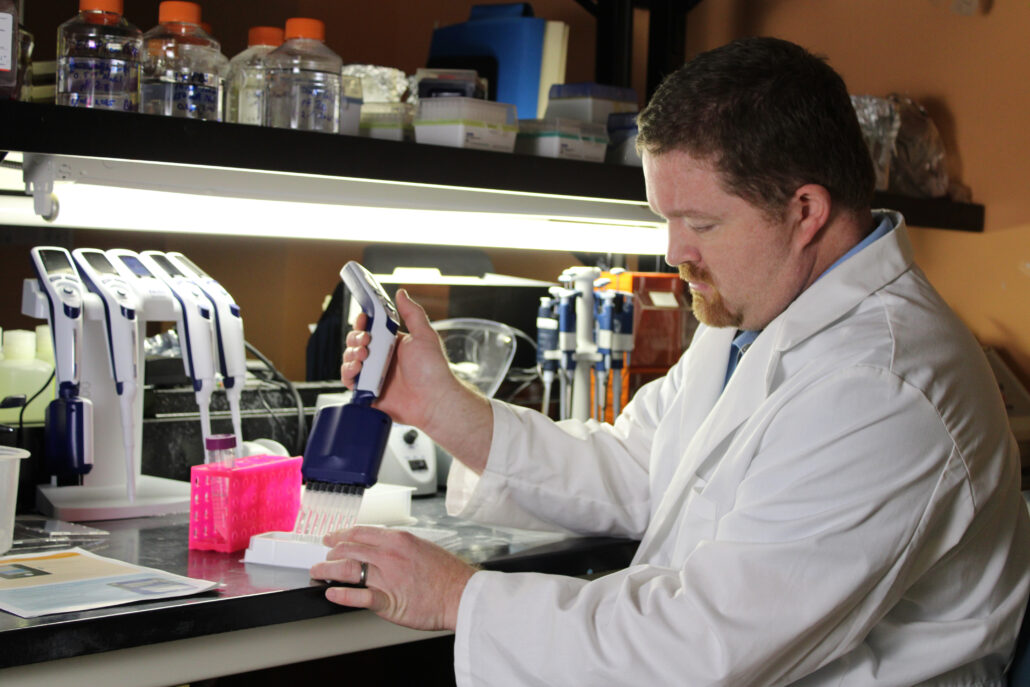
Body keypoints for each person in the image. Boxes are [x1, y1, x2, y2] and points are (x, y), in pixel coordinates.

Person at [311, 36, 1030, 685]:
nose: (673, 253)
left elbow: (701, 646)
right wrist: (443, 407)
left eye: (702, 223)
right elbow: (640, 467)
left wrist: (460, 596)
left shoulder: (885, 388)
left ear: (806, 210)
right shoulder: (755, 312)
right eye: (665, 217)